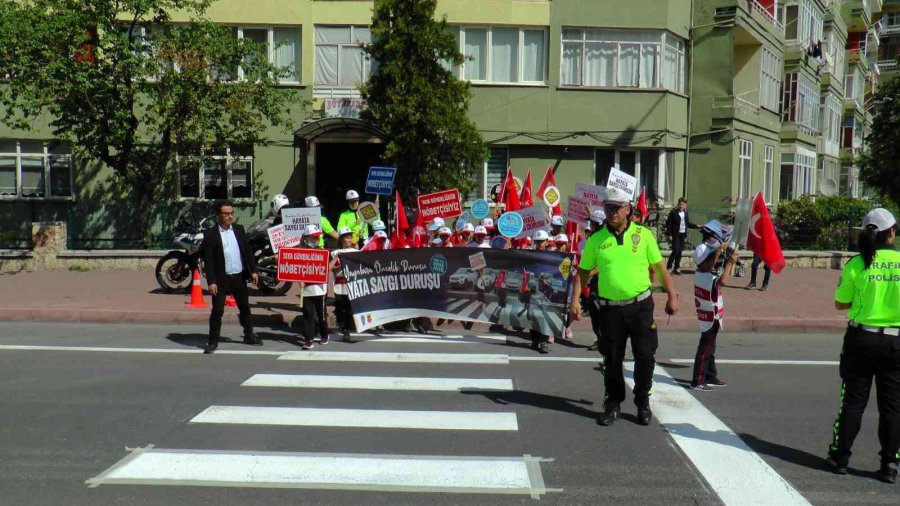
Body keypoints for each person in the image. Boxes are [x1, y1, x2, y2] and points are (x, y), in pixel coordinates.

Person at [570, 187, 679, 427]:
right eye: (608, 208)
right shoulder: (597, 239)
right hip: (611, 311)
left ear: (628, 209)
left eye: (617, 208)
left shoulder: (644, 235)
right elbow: (583, 272)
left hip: (640, 307)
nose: (612, 213)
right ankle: (613, 403)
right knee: (612, 359)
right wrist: (575, 300)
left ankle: (643, 402)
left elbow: (660, 268)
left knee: (645, 356)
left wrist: (672, 295)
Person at [826, 208, 899, 484]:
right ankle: (890, 463)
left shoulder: (856, 264)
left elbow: (840, 304)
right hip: (896, 341)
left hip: (861, 339)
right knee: (893, 406)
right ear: (891, 232)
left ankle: (840, 457)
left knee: (853, 402)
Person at [201, 201, 260, 354]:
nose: (230, 216)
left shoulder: (239, 230)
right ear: (218, 215)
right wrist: (211, 281)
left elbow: (247, 252)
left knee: (245, 308)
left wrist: (253, 270)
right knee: (217, 310)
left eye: (231, 213)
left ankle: (249, 335)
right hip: (221, 279)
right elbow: (209, 260)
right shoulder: (210, 234)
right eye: (226, 214)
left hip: (238, 276)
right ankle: (213, 341)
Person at [690, 239, 738, 391]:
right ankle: (697, 381)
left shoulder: (700, 273)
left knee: (710, 347)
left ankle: (710, 374)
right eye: (711, 258)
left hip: (709, 315)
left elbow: (710, 264)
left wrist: (719, 251)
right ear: (703, 262)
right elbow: (724, 281)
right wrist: (730, 263)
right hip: (711, 317)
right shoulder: (707, 277)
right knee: (705, 349)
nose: (714, 260)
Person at [298, 224, 329, 349]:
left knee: (321, 315)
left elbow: (326, 269)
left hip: (320, 289)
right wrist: (298, 280)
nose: (316, 240)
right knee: (308, 315)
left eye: (317, 238)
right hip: (306, 290)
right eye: (313, 238)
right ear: (306, 238)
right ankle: (308, 339)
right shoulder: (300, 252)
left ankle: (324, 334)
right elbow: (295, 269)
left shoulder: (322, 252)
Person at [331, 227, 357, 342]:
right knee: (340, 306)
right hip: (339, 284)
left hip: (351, 284)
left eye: (350, 237)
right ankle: (341, 323)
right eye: (347, 237)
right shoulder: (335, 253)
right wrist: (341, 266)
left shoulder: (357, 253)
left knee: (349, 307)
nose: (350, 239)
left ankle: (347, 329)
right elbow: (333, 270)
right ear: (341, 240)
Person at [665, 197, 698, 275]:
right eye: (680, 204)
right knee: (675, 250)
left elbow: (688, 224)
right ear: (678, 204)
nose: (681, 206)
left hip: (682, 234)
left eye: (683, 204)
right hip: (675, 234)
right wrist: (669, 234)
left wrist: (697, 226)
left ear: (685, 206)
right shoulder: (673, 213)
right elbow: (669, 224)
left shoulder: (685, 214)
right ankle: (669, 267)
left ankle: (677, 268)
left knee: (679, 252)